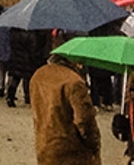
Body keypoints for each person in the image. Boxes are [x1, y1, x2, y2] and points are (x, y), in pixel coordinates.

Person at [29, 33, 100, 164]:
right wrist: (94, 143)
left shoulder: (38, 75)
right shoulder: (73, 82)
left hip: (45, 145)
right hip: (72, 151)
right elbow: (84, 120)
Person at [7, 27, 47, 107]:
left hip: (16, 58)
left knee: (15, 78)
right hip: (27, 60)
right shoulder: (32, 35)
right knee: (28, 78)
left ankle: (10, 96)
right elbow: (33, 49)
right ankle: (28, 97)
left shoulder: (14, 33)